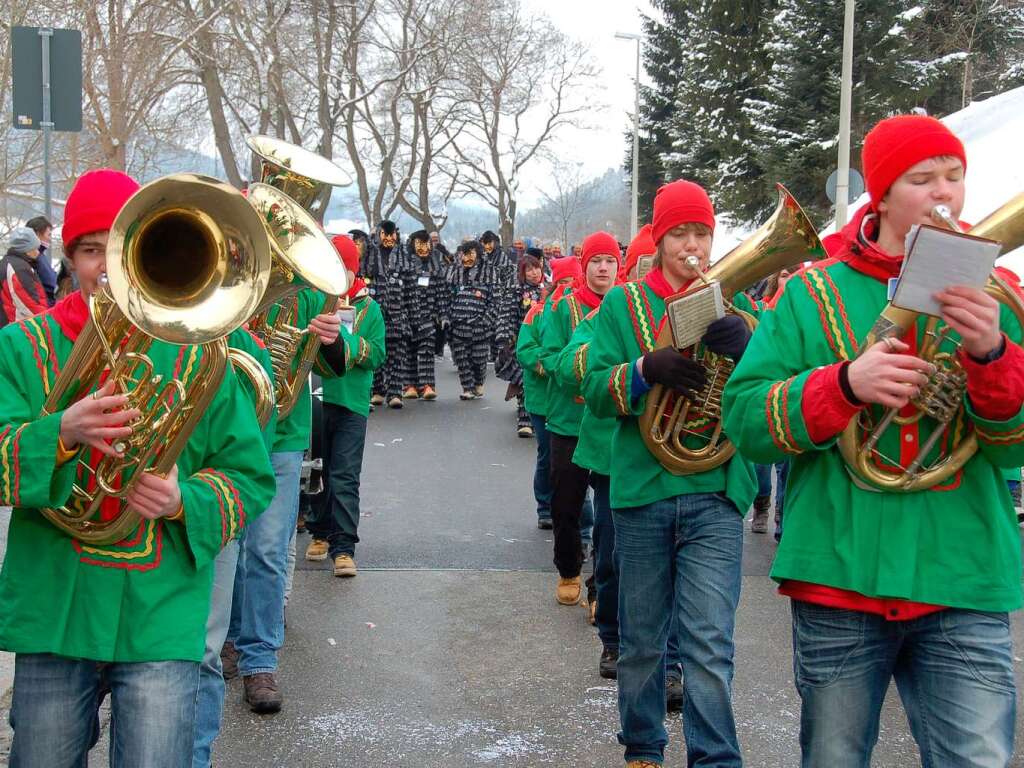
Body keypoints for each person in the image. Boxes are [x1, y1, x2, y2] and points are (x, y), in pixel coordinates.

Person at [724, 114, 1022, 767]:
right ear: (883, 195)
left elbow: (1013, 450)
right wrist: (845, 385)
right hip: (840, 571)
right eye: (923, 179)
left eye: (954, 177)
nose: (944, 194)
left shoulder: (1001, 295)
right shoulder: (811, 293)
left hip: (963, 574)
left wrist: (992, 353)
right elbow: (745, 422)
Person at [0, 168, 276, 768]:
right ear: (69, 257)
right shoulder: (23, 348)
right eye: (89, 249)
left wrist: (186, 500)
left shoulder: (201, 356)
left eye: (115, 248)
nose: (103, 266)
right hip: (55, 606)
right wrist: (60, 433)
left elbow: (251, 478)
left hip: (159, 609)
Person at [583, 180, 755, 767]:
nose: (692, 245)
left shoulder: (736, 303)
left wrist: (748, 347)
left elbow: (763, 391)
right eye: (679, 232)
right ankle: (643, 750)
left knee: (709, 644)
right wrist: (642, 369)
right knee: (641, 644)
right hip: (643, 489)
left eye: (701, 233)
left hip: (716, 490)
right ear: (657, 238)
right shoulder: (624, 305)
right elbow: (593, 388)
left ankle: (715, 758)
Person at [231, 276, 345, 714]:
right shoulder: (228, 273)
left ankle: (258, 659)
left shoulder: (311, 288)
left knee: (267, 549)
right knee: (229, 542)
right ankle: (228, 637)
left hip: (282, 431)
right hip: (228, 429)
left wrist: (331, 339)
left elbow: (334, 365)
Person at [541, 232, 620, 606]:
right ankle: (569, 569)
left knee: (609, 517)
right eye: (596, 261)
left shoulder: (627, 306)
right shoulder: (562, 307)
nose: (603, 267)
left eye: (610, 261)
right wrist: (588, 366)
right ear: (584, 266)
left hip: (609, 425)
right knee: (567, 506)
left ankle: (599, 591)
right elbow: (553, 359)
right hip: (568, 422)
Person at [305, 235, 386, 576]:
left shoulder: (370, 308)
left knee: (345, 475)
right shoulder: (314, 301)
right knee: (317, 470)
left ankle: (344, 546)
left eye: (346, 270)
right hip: (316, 399)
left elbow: (377, 353)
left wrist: (342, 340)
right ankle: (319, 531)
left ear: (355, 273)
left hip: (351, 402)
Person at [497, 248, 546, 437]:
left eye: (537, 268)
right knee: (525, 382)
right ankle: (524, 422)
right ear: (522, 273)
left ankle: (539, 420)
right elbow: (506, 315)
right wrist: (504, 339)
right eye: (530, 270)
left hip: (544, 344)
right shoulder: (516, 291)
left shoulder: (547, 290)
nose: (535, 273)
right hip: (521, 344)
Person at [364, 220, 412, 408]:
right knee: (377, 353)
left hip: (398, 314)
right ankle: (377, 390)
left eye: (392, 234)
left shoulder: (404, 257)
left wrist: (413, 318)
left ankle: (395, 393)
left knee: (397, 356)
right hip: (376, 313)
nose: (389, 238)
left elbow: (411, 289)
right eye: (385, 234)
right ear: (379, 235)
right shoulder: (370, 256)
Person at [444, 241, 497, 400]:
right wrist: (447, 317)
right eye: (464, 254)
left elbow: (495, 300)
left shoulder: (489, 273)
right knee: (462, 359)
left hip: (480, 326)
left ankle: (478, 382)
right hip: (458, 325)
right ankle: (467, 388)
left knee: (478, 359)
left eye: (471, 254)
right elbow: (448, 297)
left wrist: (487, 320)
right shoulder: (455, 273)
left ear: (479, 255)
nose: (467, 258)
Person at [401, 230, 446, 400]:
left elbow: (442, 292)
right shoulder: (404, 264)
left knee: (427, 351)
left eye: (426, 244)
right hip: (407, 314)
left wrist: (443, 315)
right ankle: (410, 385)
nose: (423, 248)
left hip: (428, 316)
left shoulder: (436, 265)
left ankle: (427, 385)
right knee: (409, 351)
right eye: (419, 243)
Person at [0, 226, 48, 327]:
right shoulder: (19, 268)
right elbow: (29, 304)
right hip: (18, 330)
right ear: (27, 250)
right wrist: (46, 322)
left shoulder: (8, 263)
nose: (38, 252)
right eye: (35, 248)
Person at [25, 215, 57, 306]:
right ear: (38, 234)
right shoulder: (32, 257)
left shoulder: (40, 255)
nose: (50, 239)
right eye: (49, 234)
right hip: (45, 309)